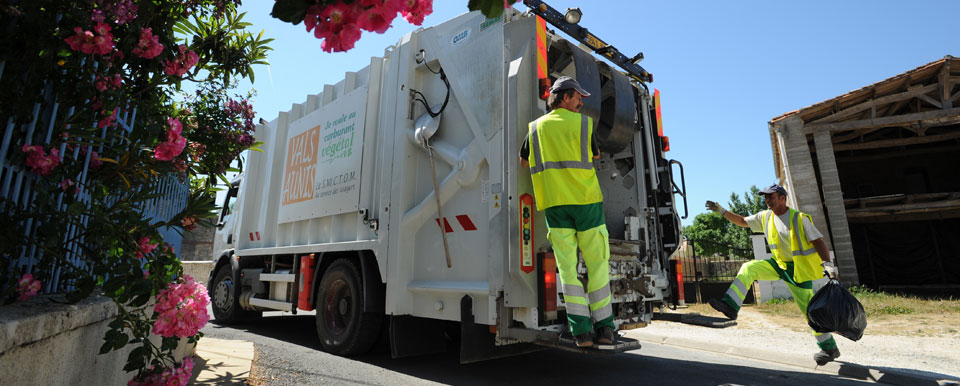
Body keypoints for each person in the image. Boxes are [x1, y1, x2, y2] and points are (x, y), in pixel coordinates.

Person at [519, 76, 614, 348]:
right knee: (596, 265)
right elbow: (595, 156)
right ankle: (605, 329)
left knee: (567, 270)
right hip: (586, 203)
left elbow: (524, 162)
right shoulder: (584, 125)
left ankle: (581, 333)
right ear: (564, 97)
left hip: (555, 205)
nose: (581, 102)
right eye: (577, 97)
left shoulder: (535, 128)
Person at [705, 184, 842, 365]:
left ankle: (829, 348)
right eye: (766, 198)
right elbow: (742, 221)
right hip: (778, 265)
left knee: (810, 311)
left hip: (797, 271)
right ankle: (730, 306)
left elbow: (818, 242)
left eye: (772, 197)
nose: (768, 201)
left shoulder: (798, 219)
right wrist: (721, 210)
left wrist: (828, 265)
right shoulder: (766, 217)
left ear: (783, 198)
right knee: (749, 268)